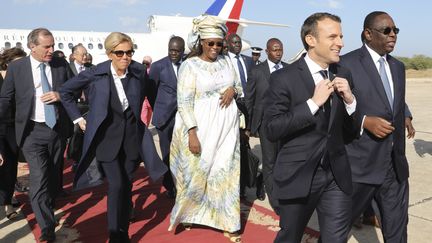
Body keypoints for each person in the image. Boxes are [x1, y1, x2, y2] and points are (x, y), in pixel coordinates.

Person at [59, 32, 166, 243]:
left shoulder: (137, 71)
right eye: (120, 53)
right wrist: (77, 119)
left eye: (129, 52)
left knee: (126, 186)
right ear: (110, 54)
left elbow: (150, 93)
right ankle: (115, 235)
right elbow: (65, 92)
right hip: (105, 141)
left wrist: (161, 118)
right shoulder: (95, 74)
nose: (125, 57)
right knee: (116, 184)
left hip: (131, 141)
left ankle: (123, 233)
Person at [263, 13, 359, 243]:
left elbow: (351, 132)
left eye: (342, 36)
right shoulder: (283, 78)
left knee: (336, 239)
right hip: (298, 175)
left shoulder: (343, 75)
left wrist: (350, 101)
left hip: (336, 175)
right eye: (333, 36)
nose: (341, 43)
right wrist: (312, 104)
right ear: (311, 40)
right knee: (290, 237)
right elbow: (271, 128)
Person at [168, 15, 242, 243]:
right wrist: (192, 133)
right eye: (211, 43)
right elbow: (184, 102)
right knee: (197, 173)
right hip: (199, 127)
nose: (215, 48)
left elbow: (239, 86)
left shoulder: (227, 61)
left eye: (219, 44)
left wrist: (233, 90)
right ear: (201, 42)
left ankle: (228, 222)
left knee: (226, 173)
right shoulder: (189, 66)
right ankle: (190, 213)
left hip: (227, 127)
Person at [339, 11, 411, 242]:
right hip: (360, 165)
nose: (393, 35)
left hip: (394, 163)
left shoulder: (398, 67)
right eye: (386, 30)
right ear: (368, 34)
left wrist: (405, 116)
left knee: (397, 227)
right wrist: (363, 121)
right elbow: (334, 112)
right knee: (338, 228)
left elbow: (395, 103)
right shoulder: (346, 64)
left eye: (395, 30)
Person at [0, 28, 74, 242]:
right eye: (46, 47)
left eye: (53, 45)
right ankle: (47, 227)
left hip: (57, 130)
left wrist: (60, 95)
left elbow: (74, 91)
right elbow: (5, 100)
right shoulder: (17, 68)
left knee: (52, 177)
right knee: (39, 176)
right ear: (32, 46)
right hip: (31, 131)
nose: (52, 50)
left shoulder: (60, 65)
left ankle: (47, 205)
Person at [245, 38, 287, 207]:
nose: (278, 53)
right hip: (265, 123)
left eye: (280, 49)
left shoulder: (288, 69)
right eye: (275, 50)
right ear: (267, 51)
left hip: (285, 122)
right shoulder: (257, 71)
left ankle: (263, 179)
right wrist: (248, 126)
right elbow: (249, 99)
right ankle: (275, 198)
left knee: (280, 159)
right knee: (269, 160)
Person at [149, 36, 185, 199]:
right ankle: (169, 185)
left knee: (181, 152)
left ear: (183, 51)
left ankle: (181, 182)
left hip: (183, 116)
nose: (174, 54)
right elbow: (151, 91)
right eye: (171, 50)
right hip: (164, 118)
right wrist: (161, 107)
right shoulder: (158, 66)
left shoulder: (187, 64)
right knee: (167, 152)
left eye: (177, 51)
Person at [226, 33, 254, 199]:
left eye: (239, 43)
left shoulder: (248, 61)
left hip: (247, 106)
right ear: (228, 43)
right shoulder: (222, 61)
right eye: (234, 42)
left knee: (244, 145)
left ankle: (242, 184)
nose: (237, 45)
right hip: (231, 107)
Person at [0, 47, 27, 221]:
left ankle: (7, 201)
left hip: (13, 128)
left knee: (10, 166)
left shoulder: (21, 79)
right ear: (8, 63)